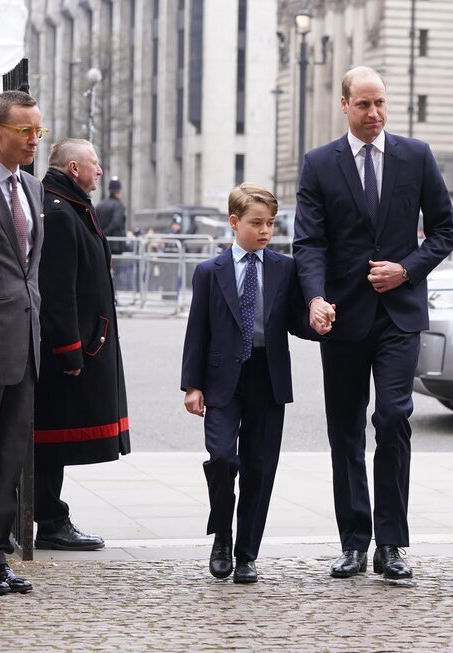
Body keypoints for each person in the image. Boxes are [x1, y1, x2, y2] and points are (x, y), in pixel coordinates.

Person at [293, 66, 453, 580]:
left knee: (392, 417)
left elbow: (445, 230)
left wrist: (406, 269)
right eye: (364, 105)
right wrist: (316, 298)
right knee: (345, 430)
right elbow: (309, 242)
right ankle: (353, 541)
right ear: (344, 105)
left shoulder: (416, 156)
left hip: (399, 316)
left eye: (381, 103)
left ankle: (391, 543)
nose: (374, 114)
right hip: (341, 317)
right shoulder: (319, 164)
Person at [182, 183, 320, 584]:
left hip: (267, 376)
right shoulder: (210, 272)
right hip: (223, 378)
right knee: (223, 459)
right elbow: (198, 330)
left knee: (260, 468)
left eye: (271, 223)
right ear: (234, 222)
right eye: (257, 223)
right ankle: (222, 536)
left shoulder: (284, 267)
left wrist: (319, 322)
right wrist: (192, 385)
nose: (265, 231)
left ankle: (247, 553)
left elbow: (296, 320)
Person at [32, 139, 129, 552]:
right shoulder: (59, 212)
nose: (101, 172)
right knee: (50, 439)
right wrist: (70, 349)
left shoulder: (69, 204)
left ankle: (51, 516)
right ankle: (50, 520)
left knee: (53, 440)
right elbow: (58, 290)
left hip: (83, 342)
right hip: (67, 352)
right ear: (74, 168)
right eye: (95, 164)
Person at [0, 90, 46, 595]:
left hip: (23, 342)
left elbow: (30, 270)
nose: (33, 140)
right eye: (24, 131)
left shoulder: (30, 186)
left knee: (9, 453)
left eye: (38, 131)